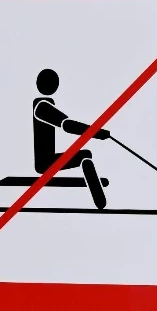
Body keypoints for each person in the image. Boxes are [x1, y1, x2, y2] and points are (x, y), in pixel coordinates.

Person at [33, 68, 111, 209]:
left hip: (48, 159)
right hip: (44, 163)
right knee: (84, 157)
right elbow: (67, 125)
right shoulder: (41, 107)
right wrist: (98, 133)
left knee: (85, 154)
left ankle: (99, 197)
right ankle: (99, 199)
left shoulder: (45, 105)